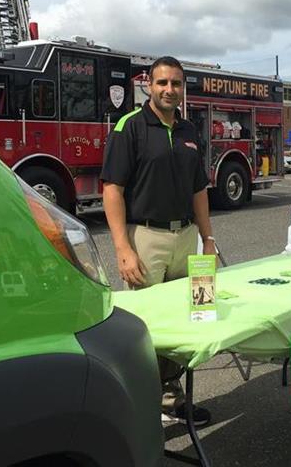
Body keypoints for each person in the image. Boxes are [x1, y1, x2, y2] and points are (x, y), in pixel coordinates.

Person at [101, 55, 216, 427]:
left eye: (177, 83)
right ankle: (139, 409)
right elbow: (112, 190)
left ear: (184, 88)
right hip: (145, 237)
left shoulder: (189, 131)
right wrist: (123, 248)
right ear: (148, 85)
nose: (170, 90)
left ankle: (170, 398)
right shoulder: (129, 127)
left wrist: (207, 238)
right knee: (144, 327)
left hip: (184, 237)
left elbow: (199, 189)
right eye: (162, 82)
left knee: (186, 321)